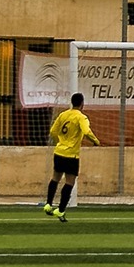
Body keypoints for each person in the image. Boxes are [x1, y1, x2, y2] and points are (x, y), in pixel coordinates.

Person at [43, 92, 100, 222]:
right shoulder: (81, 117)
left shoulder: (63, 115)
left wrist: (60, 141)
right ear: (82, 104)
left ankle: (48, 204)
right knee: (69, 182)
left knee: (55, 178)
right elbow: (86, 131)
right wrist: (95, 141)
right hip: (71, 155)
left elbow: (52, 131)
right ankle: (61, 210)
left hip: (59, 152)